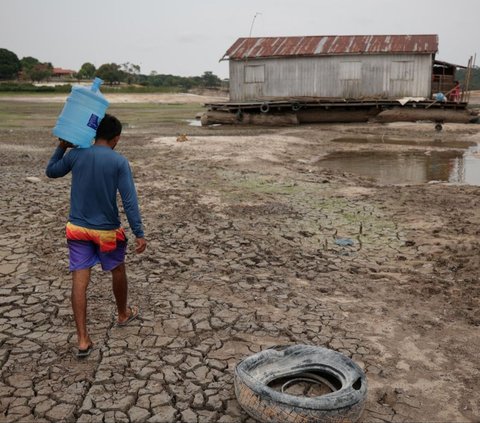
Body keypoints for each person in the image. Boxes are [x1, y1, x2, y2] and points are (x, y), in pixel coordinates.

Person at [46, 114, 146, 358]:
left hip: (77, 230)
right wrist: (138, 233)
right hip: (107, 232)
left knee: (79, 281)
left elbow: (51, 171)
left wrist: (62, 146)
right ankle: (123, 314)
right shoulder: (119, 161)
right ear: (116, 138)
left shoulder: (76, 154)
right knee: (118, 270)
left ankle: (82, 339)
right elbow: (129, 201)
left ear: (94, 134)